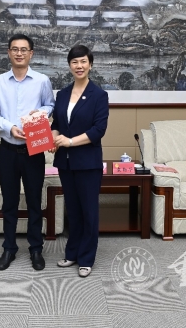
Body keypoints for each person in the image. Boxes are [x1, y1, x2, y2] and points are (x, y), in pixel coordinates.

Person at [0, 34, 55, 271]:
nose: (19, 53)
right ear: (8, 52)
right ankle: (9, 248)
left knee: (34, 200)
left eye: (24, 49)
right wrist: (9, 127)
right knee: (10, 202)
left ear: (31, 53)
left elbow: (50, 105)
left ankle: (36, 249)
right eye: (15, 49)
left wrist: (38, 115)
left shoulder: (42, 80)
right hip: (7, 150)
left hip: (33, 151)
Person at [50, 44, 109, 277]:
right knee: (73, 210)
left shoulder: (99, 95)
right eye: (74, 62)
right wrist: (54, 139)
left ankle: (86, 258)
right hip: (65, 163)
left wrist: (70, 141)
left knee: (88, 212)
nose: (79, 65)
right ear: (69, 65)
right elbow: (56, 125)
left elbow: (98, 130)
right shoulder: (62, 94)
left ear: (90, 64)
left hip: (87, 163)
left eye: (83, 61)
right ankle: (72, 253)